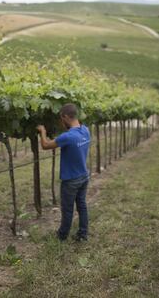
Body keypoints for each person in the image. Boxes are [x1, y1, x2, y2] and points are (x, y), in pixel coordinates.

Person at [36, 103, 91, 241]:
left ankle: (62, 236)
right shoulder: (86, 130)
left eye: (61, 119)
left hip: (71, 180)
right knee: (82, 206)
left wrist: (42, 131)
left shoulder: (68, 137)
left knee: (67, 210)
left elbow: (45, 145)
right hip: (84, 176)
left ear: (66, 117)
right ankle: (83, 234)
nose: (61, 122)